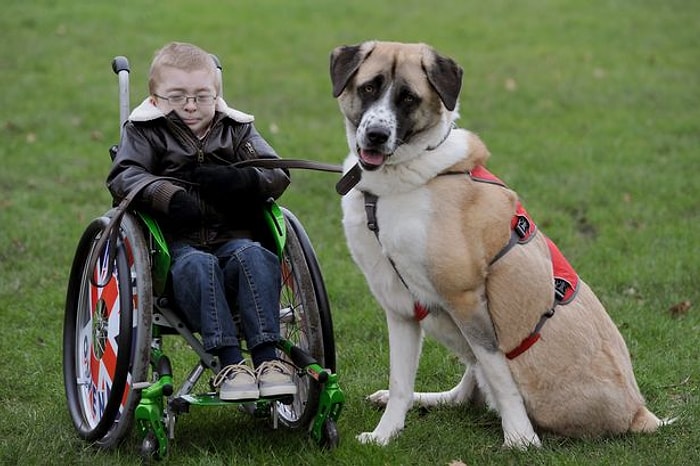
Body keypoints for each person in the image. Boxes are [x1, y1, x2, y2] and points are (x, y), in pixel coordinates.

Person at [107, 41, 296, 401]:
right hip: (174, 248)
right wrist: (167, 196)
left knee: (255, 255)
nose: (191, 106)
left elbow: (277, 173)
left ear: (217, 94)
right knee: (197, 264)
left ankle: (268, 358)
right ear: (155, 98)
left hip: (234, 236)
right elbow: (124, 176)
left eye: (202, 96)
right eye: (178, 96)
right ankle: (229, 362)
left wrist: (244, 180)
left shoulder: (236, 129)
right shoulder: (145, 131)